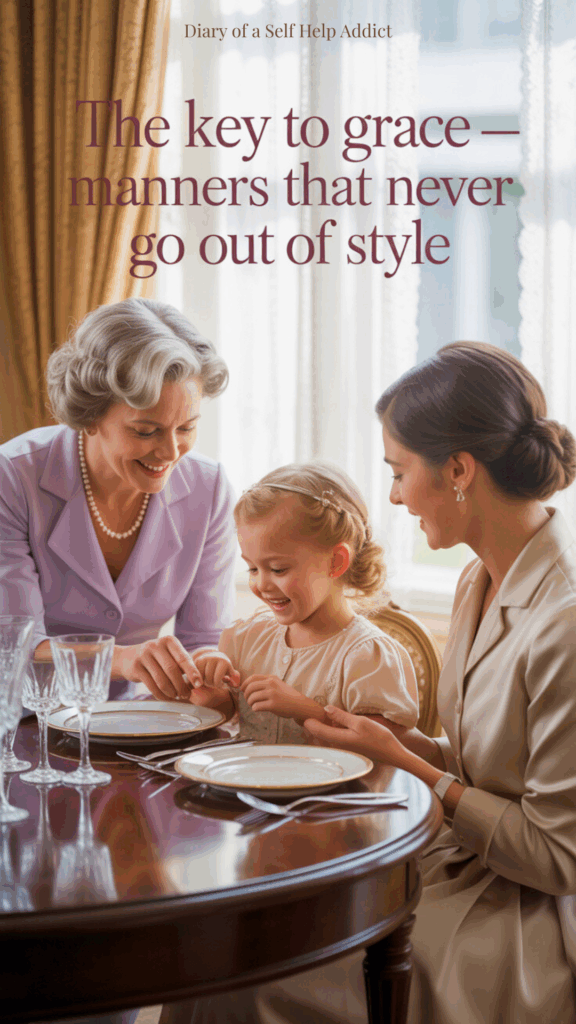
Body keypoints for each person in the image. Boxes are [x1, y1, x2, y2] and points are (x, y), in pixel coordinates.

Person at [180, 341, 576, 1024]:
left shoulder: (564, 620)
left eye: (399, 470)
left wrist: (412, 766)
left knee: (253, 972)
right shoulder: (479, 577)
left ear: (458, 470)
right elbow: (492, 766)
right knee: (225, 934)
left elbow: (556, 856)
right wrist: (400, 744)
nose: (393, 494)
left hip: (517, 913)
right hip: (453, 857)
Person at [0, 297, 237, 701]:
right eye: (146, 431)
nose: (171, 452)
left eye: (186, 428)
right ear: (90, 415)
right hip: (23, 719)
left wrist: (211, 673)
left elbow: (203, 640)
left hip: (137, 720)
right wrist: (122, 659)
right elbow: (14, 644)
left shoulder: (209, 489)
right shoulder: (13, 478)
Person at [187, 462, 419, 739]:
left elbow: (388, 747)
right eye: (252, 569)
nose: (261, 585)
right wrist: (213, 697)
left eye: (278, 569)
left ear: (336, 561)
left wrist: (307, 710)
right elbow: (233, 715)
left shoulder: (366, 656)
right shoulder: (246, 639)